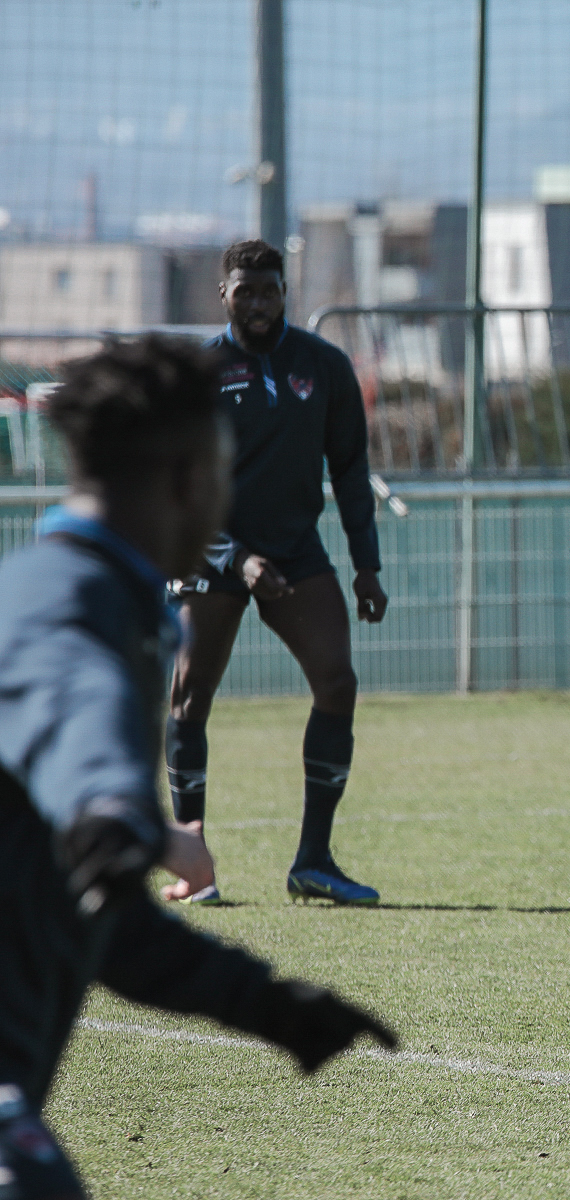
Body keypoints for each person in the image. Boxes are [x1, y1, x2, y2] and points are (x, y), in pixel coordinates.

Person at [0, 335, 396, 1200]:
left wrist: (268, 1005)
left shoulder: (85, 590)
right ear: (187, 480)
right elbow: (76, 710)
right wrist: (114, 809)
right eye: (225, 471)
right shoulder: (70, 606)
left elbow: (105, 925)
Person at [165, 238, 388, 906]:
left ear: (285, 293)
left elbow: (350, 470)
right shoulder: (199, 373)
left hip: (294, 552)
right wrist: (236, 558)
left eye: (270, 291)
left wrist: (367, 566)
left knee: (338, 682)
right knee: (189, 696)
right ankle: (193, 867)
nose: (258, 303)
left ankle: (313, 861)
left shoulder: (323, 366)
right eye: (245, 291)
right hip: (212, 553)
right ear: (224, 294)